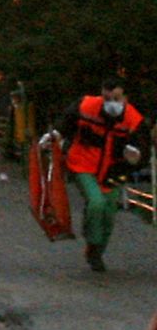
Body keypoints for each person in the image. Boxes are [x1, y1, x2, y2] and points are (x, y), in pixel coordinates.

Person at [41, 78, 146, 272]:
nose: (111, 103)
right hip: (82, 164)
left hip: (112, 172)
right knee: (96, 202)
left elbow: (142, 150)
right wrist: (54, 135)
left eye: (116, 98)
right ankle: (92, 239)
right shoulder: (86, 106)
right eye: (107, 98)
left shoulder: (133, 119)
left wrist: (135, 157)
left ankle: (95, 251)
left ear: (125, 98)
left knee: (109, 214)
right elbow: (67, 121)